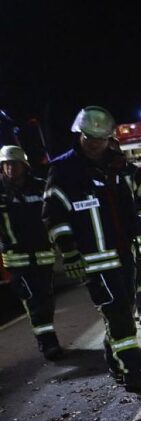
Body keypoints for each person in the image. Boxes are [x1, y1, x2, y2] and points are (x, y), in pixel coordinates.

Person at [41, 106, 141, 392]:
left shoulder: (120, 166)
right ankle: (133, 371)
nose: (95, 143)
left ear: (110, 138)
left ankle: (116, 363)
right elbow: (53, 216)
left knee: (125, 311)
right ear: (79, 134)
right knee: (118, 312)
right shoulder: (64, 170)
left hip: (124, 254)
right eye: (90, 137)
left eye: (101, 138)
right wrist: (69, 252)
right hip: (94, 260)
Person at [0, 145, 62, 359]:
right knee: (33, 299)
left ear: (24, 165)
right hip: (16, 258)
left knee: (46, 298)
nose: (10, 168)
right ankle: (48, 344)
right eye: (6, 164)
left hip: (43, 254)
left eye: (14, 164)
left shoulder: (39, 187)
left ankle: (48, 337)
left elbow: (54, 213)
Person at [109, 138, 141, 324]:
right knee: (115, 278)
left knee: (139, 273)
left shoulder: (131, 172)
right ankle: (126, 314)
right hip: (109, 235)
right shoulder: (93, 174)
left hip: (134, 231)